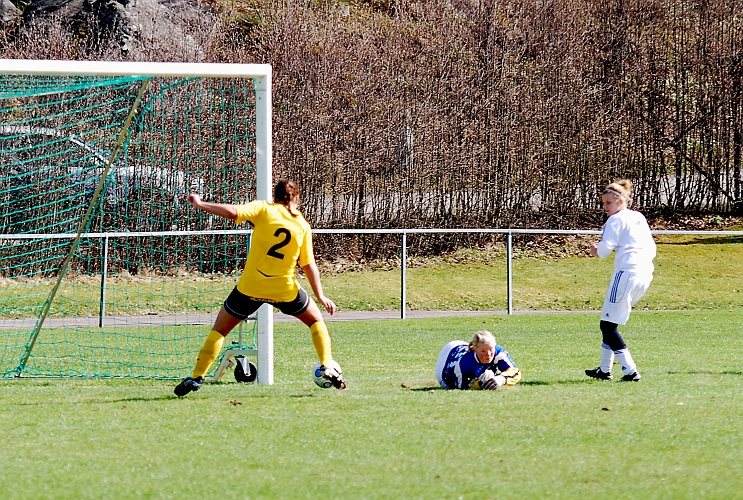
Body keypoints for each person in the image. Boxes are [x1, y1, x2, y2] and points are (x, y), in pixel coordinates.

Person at [174, 179, 346, 396]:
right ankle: (326, 365)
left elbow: (233, 212)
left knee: (220, 331)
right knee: (314, 321)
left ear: (275, 197)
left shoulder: (264, 209)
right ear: (297, 199)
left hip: (250, 288)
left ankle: (197, 377)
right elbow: (308, 265)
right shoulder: (302, 225)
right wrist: (320, 295)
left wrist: (201, 204)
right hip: (284, 290)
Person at [585, 179, 656, 382]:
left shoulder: (615, 220)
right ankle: (604, 370)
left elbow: (605, 250)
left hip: (626, 274)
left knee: (607, 326)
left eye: (608, 203)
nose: (605, 208)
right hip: (644, 274)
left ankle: (630, 371)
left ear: (620, 201)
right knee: (611, 320)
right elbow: (652, 247)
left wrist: (595, 251)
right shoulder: (638, 217)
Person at [435, 330, 521, 390]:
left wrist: (501, 379)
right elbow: (461, 387)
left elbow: (515, 372)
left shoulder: (498, 352)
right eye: (483, 351)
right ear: (474, 349)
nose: (488, 354)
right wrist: (480, 384)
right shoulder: (465, 364)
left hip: (463, 347)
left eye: (491, 349)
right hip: (446, 362)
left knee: (488, 374)